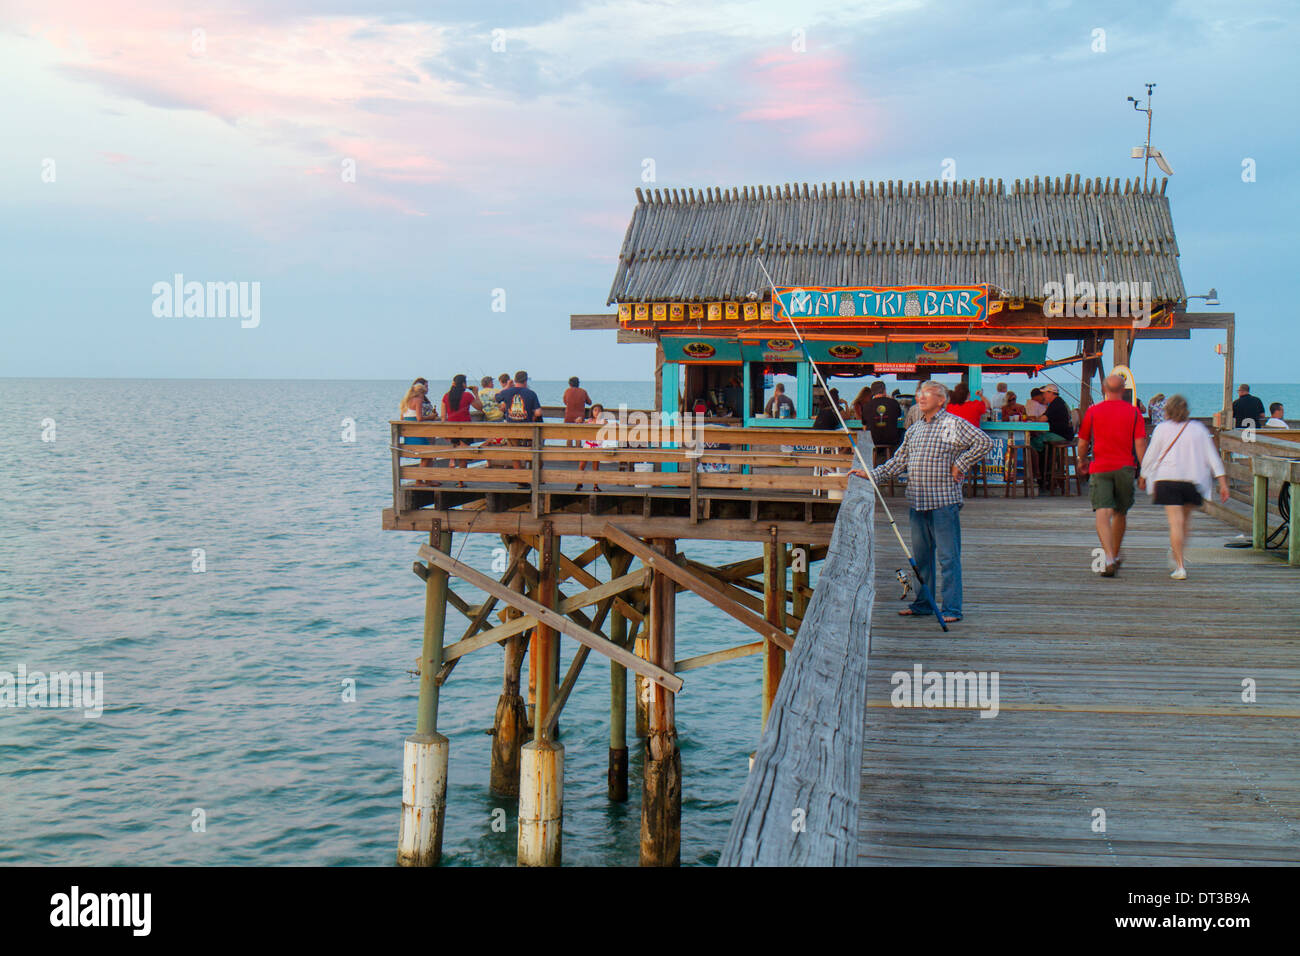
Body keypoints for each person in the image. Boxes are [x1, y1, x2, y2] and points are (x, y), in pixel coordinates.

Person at [854, 380, 994, 623]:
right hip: (917, 502)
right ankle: (923, 604)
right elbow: (898, 462)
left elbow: (984, 442)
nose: (921, 398)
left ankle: (951, 608)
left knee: (948, 558)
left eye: (928, 394)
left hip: (943, 502)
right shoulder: (915, 428)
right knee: (921, 559)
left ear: (941, 400)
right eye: (920, 394)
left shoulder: (953, 423)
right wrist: (871, 474)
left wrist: (960, 464)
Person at [1139, 394, 1229, 580]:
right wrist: (1222, 482)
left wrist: (1143, 475)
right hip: (1191, 481)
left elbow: (1151, 454)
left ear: (1167, 410)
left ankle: (1179, 565)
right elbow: (1213, 456)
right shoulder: (1199, 429)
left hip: (1167, 480)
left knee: (1175, 523)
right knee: (1185, 523)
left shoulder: (1161, 429)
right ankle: (1177, 555)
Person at [1077, 374, 1148, 576]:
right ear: (1124, 389)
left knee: (1102, 512)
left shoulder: (1093, 411)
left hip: (1100, 467)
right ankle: (1114, 555)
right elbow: (1140, 443)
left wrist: (1082, 459)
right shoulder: (1134, 412)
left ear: (1103, 388)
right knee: (1120, 512)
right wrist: (1144, 470)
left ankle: (1108, 557)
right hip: (1125, 468)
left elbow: (1083, 442)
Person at [495, 370, 543, 474]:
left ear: (514, 380)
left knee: (514, 451)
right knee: (533, 450)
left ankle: (519, 477)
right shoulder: (531, 393)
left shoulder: (506, 392)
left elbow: (497, 397)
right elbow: (538, 413)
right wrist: (533, 415)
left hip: (512, 427)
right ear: (525, 381)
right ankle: (534, 475)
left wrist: (507, 386)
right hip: (528, 428)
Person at [441, 374, 483, 486]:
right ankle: (460, 482)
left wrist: (445, 430)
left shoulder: (446, 396)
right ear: (464, 384)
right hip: (465, 428)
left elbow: (443, 417)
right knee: (463, 456)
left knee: (455, 451)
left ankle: (452, 462)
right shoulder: (467, 395)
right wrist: (476, 393)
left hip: (451, 428)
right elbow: (479, 407)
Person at [1031, 384, 1075, 487]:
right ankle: (1046, 474)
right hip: (1064, 435)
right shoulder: (1058, 402)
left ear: (1050, 393)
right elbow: (1045, 417)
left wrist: (1033, 419)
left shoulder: (1056, 403)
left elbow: (1043, 419)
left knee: (1032, 442)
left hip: (1060, 436)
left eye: (1044, 393)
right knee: (1042, 445)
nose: (1043, 396)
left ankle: (1038, 473)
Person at [400, 381, 436, 487]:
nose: (423, 397)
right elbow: (419, 418)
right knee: (427, 455)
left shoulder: (405, 401)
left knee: (427, 455)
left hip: (409, 432)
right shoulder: (418, 400)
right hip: (417, 432)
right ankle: (419, 481)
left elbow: (402, 418)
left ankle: (427, 480)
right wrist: (431, 417)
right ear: (420, 393)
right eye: (423, 394)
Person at [576, 403, 609, 491]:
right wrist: (579, 421)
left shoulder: (603, 421)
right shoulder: (589, 421)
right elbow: (580, 423)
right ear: (592, 412)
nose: (597, 412)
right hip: (588, 445)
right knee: (582, 464)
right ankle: (579, 483)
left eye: (599, 410)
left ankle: (595, 485)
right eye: (595, 410)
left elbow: (608, 425)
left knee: (595, 467)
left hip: (597, 446)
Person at [863, 381, 902, 452]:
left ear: (872, 392)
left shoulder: (866, 406)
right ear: (884, 390)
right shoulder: (893, 403)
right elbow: (899, 415)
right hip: (891, 439)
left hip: (872, 440)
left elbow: (864, 424)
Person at [562, 376, 593, 448]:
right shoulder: (583, 391)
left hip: (568, 416)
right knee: (578, 436)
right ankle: (578, 453)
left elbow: (565, 402)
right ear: (578, 383)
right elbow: (589, 402)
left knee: (569, 436)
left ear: (570, 384)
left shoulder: (567, 391)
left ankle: (569, 454)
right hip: (579, 416)